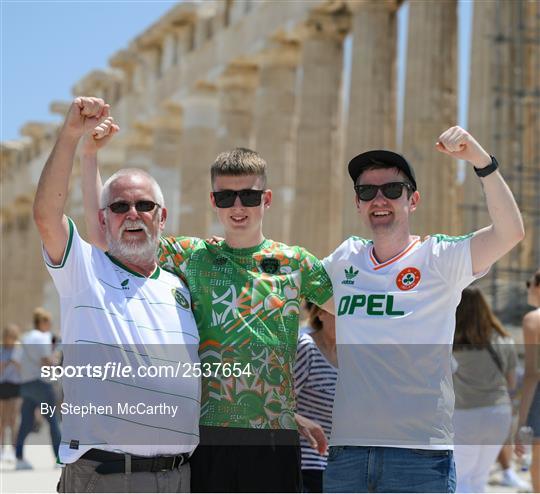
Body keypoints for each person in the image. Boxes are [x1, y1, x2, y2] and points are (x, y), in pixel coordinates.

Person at [83, 144, 334, 491]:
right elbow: (108, 234)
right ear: (213, 200)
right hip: (205, 437)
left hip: (274, 439)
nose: (238, 206)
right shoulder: (191, 256)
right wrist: (89, 157)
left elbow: (359, 311)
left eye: (248, 195)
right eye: (226, 197)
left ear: (267, 198)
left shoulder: (296, 263)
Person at [322, 126, 524, 493]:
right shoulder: (343, 259)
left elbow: (510, 232)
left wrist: (481, 162)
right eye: (367, 191)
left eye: (392, 190)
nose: (378, 199)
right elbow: (282, 279)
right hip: (347, 453)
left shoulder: (439, 259)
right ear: (357, 202)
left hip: (418, 457)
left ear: (413, 201)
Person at [34, 97, 200, 492]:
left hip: (178, 478)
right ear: (104, 220)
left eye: (144, 206)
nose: (132, 214)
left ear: (162, 217)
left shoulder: (179, 285)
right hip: (106, 477)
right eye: (120, 207)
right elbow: (46, 216)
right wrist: (73, 138)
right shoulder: (86, 273)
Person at [452, 287, 518, 493]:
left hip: (464, 415)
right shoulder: (504, 341)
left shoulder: (450, 344)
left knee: (460, 478)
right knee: (479, 479)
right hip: (499, 414)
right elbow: (512, 382)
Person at [295, 304, 338, 492]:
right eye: (341, 312)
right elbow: (275, 403)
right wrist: (304, 422)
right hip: (304, 467)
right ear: (321, 312)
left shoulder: (350, 356)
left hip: (335, 468)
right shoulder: (305, 347)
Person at [11, 308, 61, 470]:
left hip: (26, 384)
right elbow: (46, 360)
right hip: (41, 384)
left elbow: (17, 360)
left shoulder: (25, 337)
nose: (50, 325)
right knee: (53, 421)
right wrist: (56, 363)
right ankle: (59, 458)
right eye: (48, 322)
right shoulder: (43, 337)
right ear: (42, 322)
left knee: (26, 422)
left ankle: (19, 458)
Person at [516, 268, 540, 493]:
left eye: (529, 283)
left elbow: (533, 374)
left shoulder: (533, 320)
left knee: (539, 466)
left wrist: (521, 422)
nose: (528, 289)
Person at [0, 323, 22, 462]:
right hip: (3, 385)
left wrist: (16, 363)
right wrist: (6, 363)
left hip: (16, 386)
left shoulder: (19, 351)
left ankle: (14, 450)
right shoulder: (1, 350)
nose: (11, 339)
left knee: (14, 420)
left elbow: (24, 370)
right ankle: (2, 449)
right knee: (2, 420)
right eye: (9, 336)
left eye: (14, 337)